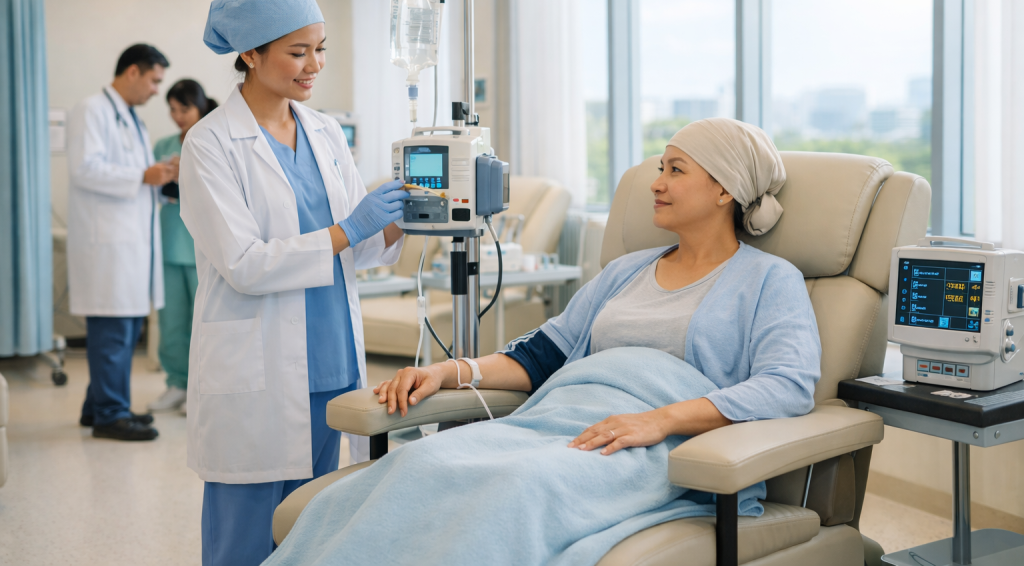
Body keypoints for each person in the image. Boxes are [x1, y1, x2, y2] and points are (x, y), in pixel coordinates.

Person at [264, 118, 822, 566]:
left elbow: (788, 386)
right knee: (423, 461)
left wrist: (661, 420)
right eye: (660, 169)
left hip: (648, 443)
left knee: (519, 487)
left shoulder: (769, 280)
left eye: (675, 170)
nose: (656, 183)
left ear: (724, 188)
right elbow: (544, 354)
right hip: (558, 419)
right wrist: (446, 373)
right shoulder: (627, 270)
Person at [177, 0, 408, 566]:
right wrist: (349, 228)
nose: (315, 65)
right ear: (251, 55)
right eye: (298, 51)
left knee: (312, 527)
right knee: (243, 537)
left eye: (321, 49)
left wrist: (406, 220)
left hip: (332, 361)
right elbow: (245, 264)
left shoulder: (325, 131)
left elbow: (356, 248)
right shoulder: (209, 143)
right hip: (256, 366)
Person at [67, 44, 174, 441]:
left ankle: (98, 406)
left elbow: (137, 178)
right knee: (113, 333)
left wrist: (162, 177)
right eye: (154, 80)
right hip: (107, 246)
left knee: (124, 331)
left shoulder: (131, 119)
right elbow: (84, 169)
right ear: (132, 72)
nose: (156, 90)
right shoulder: (92, 110)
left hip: (130, 244)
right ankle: (110, 415)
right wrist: (143, 176)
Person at [147, 80, 218, 415]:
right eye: (172, 110)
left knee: (202, 322)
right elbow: (150, 190)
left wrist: (187, 175)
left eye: (184, 109)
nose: (177, 116)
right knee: (171, 321)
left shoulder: (212, 139)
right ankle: (176, 384)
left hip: (202, 245)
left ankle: (200, 389)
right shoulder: (163, 145)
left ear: (200, 107)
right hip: (168, 243)